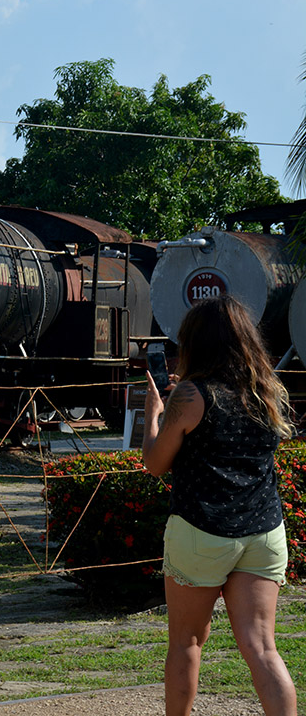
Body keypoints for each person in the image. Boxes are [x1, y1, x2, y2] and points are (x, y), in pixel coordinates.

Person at [142, 294, 297, 716]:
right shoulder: (268, 392)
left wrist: (153, 415)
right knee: (262, 646)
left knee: (187, 642)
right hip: (264, 532)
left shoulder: (191, 395)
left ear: (195, 342)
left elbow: (155, 464)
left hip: (202, 531)